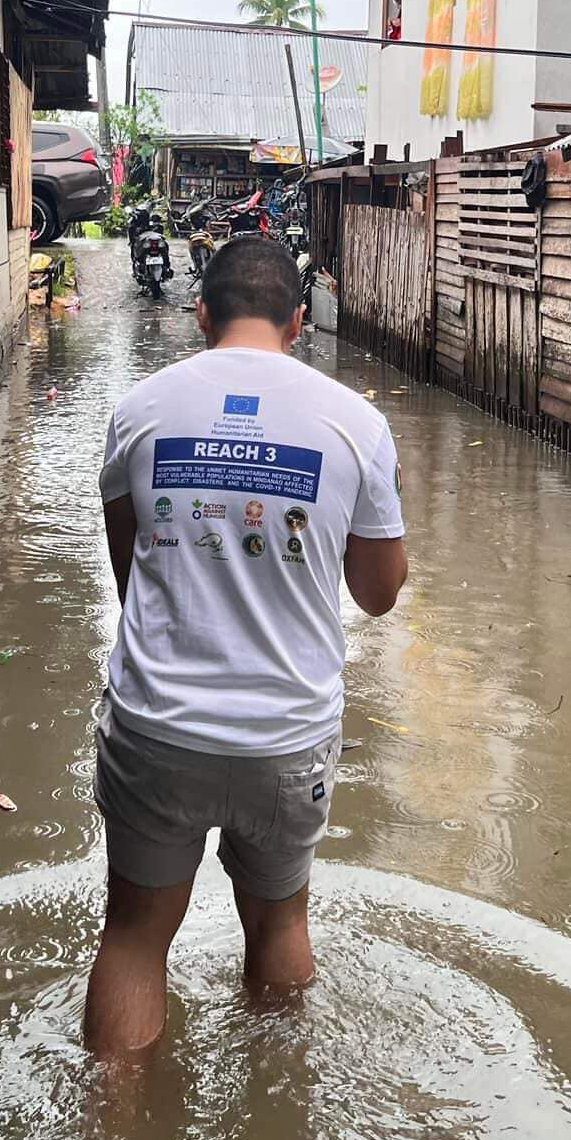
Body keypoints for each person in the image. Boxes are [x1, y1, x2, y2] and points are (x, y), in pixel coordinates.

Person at [85, 235, 408, 1055]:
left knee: (133, 937)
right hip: (287, 735)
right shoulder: (358, 426)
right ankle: (278, 1111)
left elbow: (134, 577)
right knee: (278, 922)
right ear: (299, 320)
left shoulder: (141, 411)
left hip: (159, 726)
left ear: (201, 314)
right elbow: (377, 595)